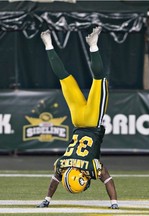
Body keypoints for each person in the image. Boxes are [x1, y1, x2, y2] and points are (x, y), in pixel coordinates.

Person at [37, 27, 119, 209]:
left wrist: (114, 203)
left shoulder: (91, 167)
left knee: (100, 79)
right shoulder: (62, 164)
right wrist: (46, 200)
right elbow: (54, 181)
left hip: (92, 121)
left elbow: (108, 179)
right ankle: (49, 45)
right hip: (77, 121)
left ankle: (93, 46)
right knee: (64, 78)